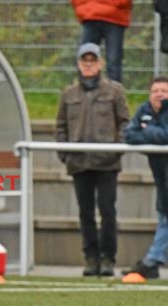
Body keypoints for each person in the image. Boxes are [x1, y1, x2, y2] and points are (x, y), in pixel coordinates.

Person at [55, 42, 130, 277]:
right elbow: (61, 126)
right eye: (84, 60)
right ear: (79, 63)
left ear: (100, 63)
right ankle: (91, 258)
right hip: (79, 163)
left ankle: (108, 258)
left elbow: (125, 123)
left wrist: (116, 151)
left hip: (107, 163)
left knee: (107, 211)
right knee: (85, 213)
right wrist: (64, 153)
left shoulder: (115, 91)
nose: (88, 64)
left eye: (93, 60)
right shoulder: (68, 94)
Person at [122, 76, 168, 279]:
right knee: (164, 214)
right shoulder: (144, 110)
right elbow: (130, 135)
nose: (159, 94)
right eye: (155, 90)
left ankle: (151, 261)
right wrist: (153, 135)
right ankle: (152, 262)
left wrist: (147, 131)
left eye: (164, 91)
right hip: (161, 173)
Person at [70, 0, 132, 83]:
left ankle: (112, 93)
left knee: (89, 60)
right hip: (99, 15)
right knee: (111, 63)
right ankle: (87, 92)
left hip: (106, 15)